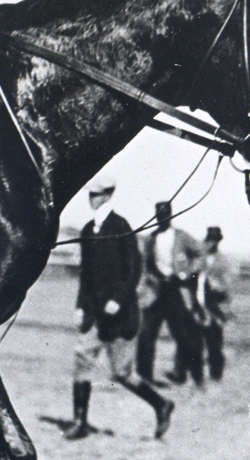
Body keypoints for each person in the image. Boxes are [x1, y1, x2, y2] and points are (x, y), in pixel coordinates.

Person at [64, 176, 175, 441]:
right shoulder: (88, 230)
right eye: (90, 195)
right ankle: (80, 422)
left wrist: (117, 299)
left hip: (120, 315)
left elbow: (133, 270)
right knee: (82, 360)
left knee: (122, 373)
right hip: (93, 313)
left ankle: (161, 405)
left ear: (108, 195)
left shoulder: (121, 227)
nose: (93, 200)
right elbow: (85, 275)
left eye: (97, 195)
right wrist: (80, 306)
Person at [135, 201, 205, 386]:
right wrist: (145, 286)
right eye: (159, 215)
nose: (162, 218)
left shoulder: (181, 236)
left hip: (177, 290)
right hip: (156, 291)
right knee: (146, 334)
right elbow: (145, 265)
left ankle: (193, 377)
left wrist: (187, 273)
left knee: (184, 335)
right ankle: (145, 378)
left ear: (171, 215)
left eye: (166, 214)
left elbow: (200, 255)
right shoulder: (150, 239)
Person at [197, 226, 235, 381]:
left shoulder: (224, 260)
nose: (211, 243)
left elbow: (227, 285)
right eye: (209, 240)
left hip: (215, 304)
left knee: (215, 341)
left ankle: (216, 372)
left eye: (215, 240)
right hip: (199, 303)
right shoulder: (200, 259)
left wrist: (217, 286)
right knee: (193, 339)